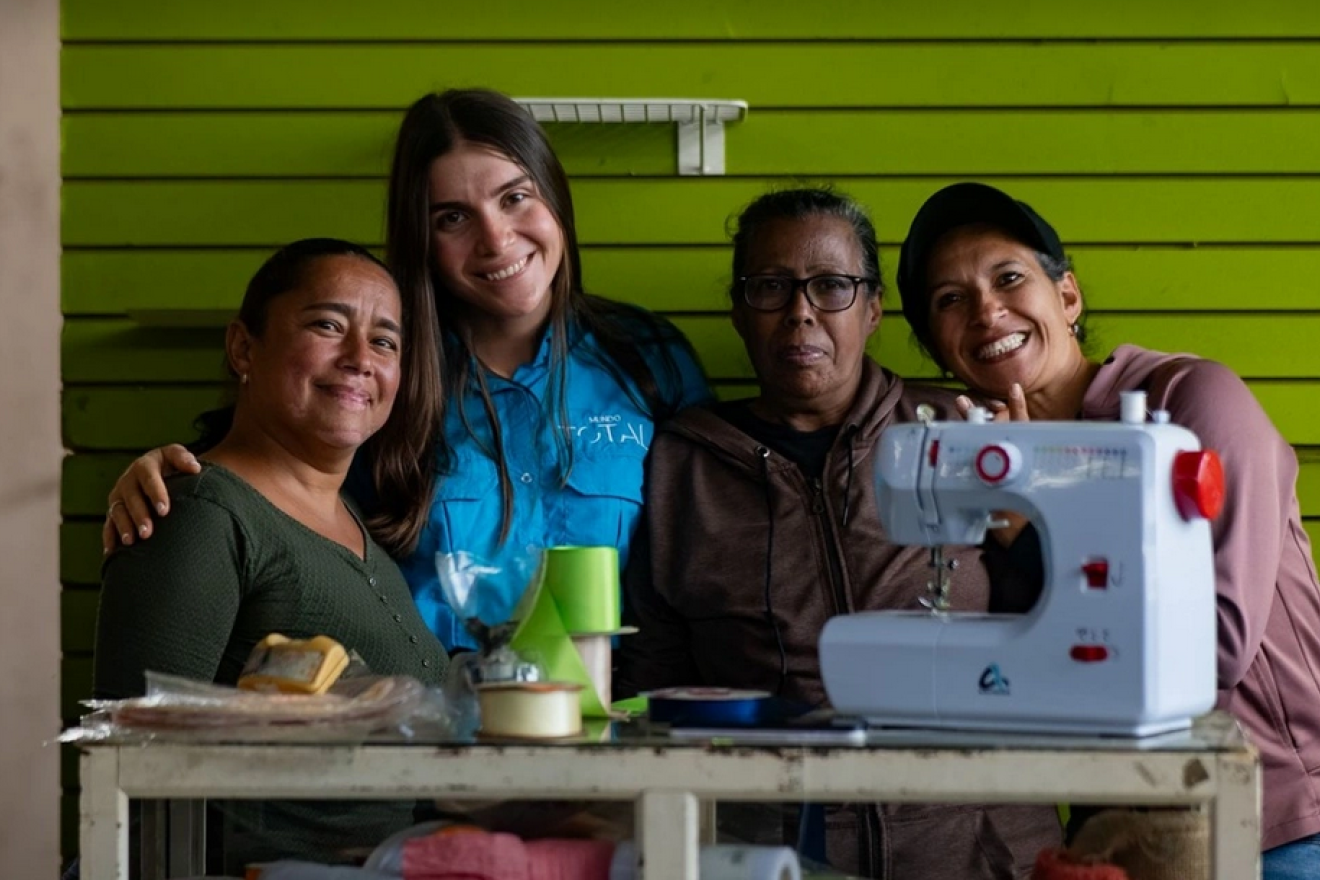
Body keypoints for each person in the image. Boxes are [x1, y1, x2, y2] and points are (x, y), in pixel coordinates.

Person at [100, 88, 711, 651]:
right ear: (421, 237)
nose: (496, 240)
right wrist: (170, 471)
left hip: (607, 716)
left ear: (555, 196)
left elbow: (714, 531)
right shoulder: (380, 372)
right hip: (426, 720)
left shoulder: (648, 355)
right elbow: (274, 475)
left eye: (515, 197)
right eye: (453, 217)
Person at [616, 188, 1060, 878]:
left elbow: (1053, 620)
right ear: (738, 312)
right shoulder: (683, 466)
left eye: (831, 287)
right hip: (769, 851)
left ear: (874, 309)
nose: (800, 312)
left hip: (977, 849)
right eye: (770, 288)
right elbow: (656, 682)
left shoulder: (960, 432)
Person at [896, 181, 1320, 878]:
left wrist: (1022, 524)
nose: (986, 311)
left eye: (1008, 278)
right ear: (939, 350)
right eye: (950, 301)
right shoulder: (985, 458)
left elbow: (1210, 648)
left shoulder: (1192, 401)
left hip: (1271, 820)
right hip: (1110, 828)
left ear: (1067, 297)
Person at [94, 238, 450, 871]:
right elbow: (134, 776)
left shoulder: (355, 528)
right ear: (242, 348)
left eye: (385, 342)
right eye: (327, 325)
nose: (360, 359)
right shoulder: (199, 514)